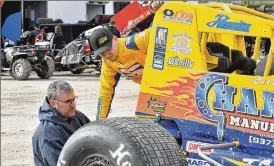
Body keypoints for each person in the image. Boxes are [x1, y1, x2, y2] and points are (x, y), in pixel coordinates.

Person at [89, 1, 164, 120]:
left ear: (115, 39)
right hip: (152, 92)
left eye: (108, 48)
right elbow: (105, 92)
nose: (107, 54)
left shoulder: (135, 42)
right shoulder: (108, 63)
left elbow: (161, 31)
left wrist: (160, 10)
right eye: (102, 53)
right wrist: (99, 122)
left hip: (175, 84)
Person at [32, 80, 90, 166]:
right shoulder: (48, 134)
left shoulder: (77, 116)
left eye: (74, 99)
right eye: (68, 101)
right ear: (53, 103)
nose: (73, 105)